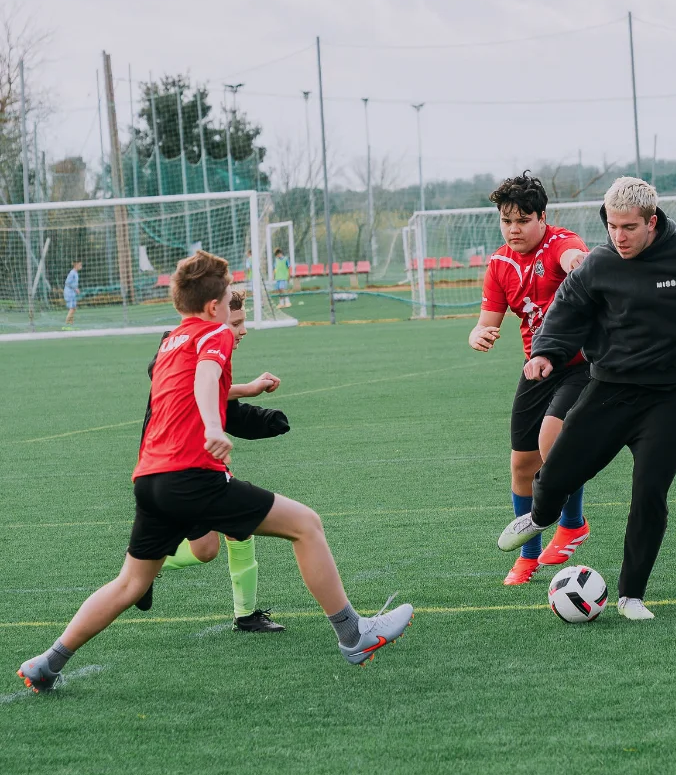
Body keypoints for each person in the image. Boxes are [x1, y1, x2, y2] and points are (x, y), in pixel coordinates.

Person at [18, 251, 413, 692]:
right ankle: (354, 635)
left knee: (130, 583)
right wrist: (211, 427)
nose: (233, 312)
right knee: (306, 525)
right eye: (228, 300)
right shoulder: (215, 333)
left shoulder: (173, 340)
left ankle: (47, 662)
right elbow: (206, 378)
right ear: (213, 307)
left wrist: (247, 389)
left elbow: (191, 385)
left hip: (149, 479)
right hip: (191, 476)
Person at [497, 177, 676, 620]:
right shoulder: (600, 263)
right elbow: (567, 310)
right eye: (612, 226)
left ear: (651, 222)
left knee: (649, 493)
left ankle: (631, 595)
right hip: (609, 390)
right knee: (557, 470)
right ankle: (539, 516)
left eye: (629, 227)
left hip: (672, 398)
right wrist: (545, 353)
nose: (619, 236)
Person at [138, 290, 290, 633]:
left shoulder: (210, 345)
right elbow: (195, 387)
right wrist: (247, 394)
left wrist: (258, 411)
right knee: (272, 527)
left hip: (196, 459)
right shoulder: (183, 342)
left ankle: (148, 564)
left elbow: (216, 396)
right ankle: (146, 563)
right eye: (236, 322)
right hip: (178, 464)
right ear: (215, 312)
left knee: (207, 548)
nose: (242, 330)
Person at [468, 171, 590, 586]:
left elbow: (574, 257)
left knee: (552, 443)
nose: (514, 229)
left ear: (542, 218)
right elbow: (487, 321)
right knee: (522, 464)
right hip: (536, 367)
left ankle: (572, 524)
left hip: (582, 364)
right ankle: (529, 554)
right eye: (506, 221)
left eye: (523, 220)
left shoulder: (561, 244)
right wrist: (477, 333)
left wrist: (577, 263)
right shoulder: (499, 264)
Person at [63, 260, 82, 327]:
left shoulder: (75, 273)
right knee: (72, 308)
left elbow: (74, 283)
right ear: (76, 265)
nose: (81, 266)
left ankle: (71, 325)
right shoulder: (72, 273)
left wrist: (76, 289)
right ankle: (66, 324)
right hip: (69, 292)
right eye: (80, 265)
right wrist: (75, 288)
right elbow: (67, 283)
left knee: (73, 308)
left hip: (72, 292)